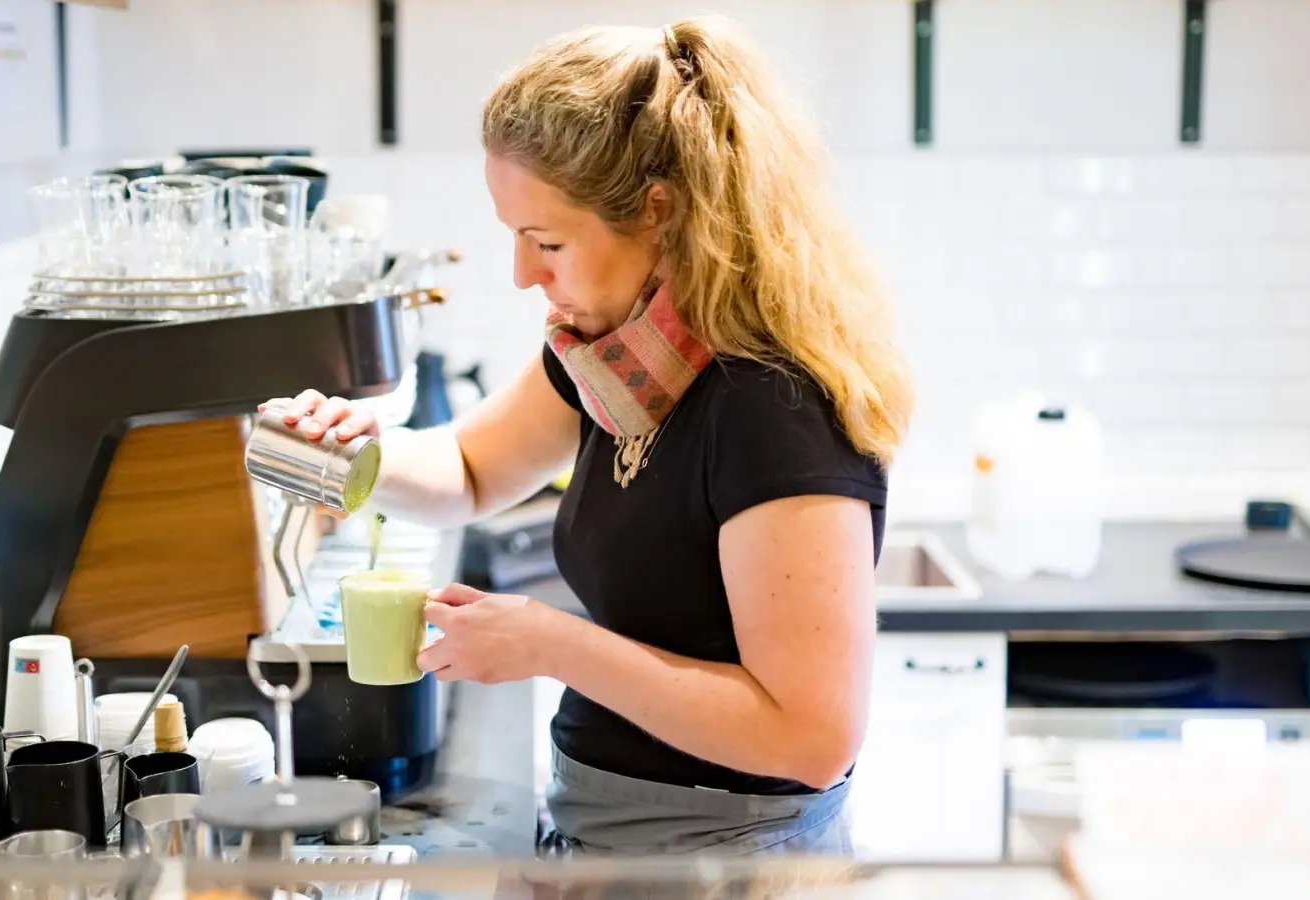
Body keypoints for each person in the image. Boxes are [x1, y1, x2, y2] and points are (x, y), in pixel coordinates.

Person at [263, 15, 912, 856]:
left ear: (660, 213)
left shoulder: (773, 405)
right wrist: (356, 451)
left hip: (728, 862)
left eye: (547, 241)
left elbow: (812, 738)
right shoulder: (617, 355)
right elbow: (468, 469)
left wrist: (549, 644)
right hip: (613, 835)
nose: (522, 273)